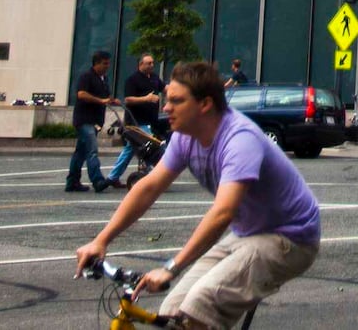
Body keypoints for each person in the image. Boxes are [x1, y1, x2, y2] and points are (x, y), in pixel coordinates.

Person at [76, 59, 322, 329]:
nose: (166, 108)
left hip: (290, 238)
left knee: (199, 307)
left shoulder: (239, 140)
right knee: (173, 312)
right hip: (247, 233)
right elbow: (148, 187)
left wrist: (171, 267)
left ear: (204, 104)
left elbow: (222, 212)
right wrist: (101, 240)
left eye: (177, 101)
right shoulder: (185, 136)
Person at [116, 53, 168, 187]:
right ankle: (153, 175)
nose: (152, 65)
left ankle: (112, 177)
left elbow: (165, 88)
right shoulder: (132, 80)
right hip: (136, 122)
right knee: (151, 147)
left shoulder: (155, 78)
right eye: (148, 63)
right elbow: (128, 99)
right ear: (141, 64)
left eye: (152, 63)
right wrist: (146, 99)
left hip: (151, 121)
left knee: (130, 150)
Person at [68, 49, 115, 194]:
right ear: (96, 64)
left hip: (95, 121)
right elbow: (81, 94)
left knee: (80, 152)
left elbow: (106, 96)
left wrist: (112, 100)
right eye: (104, 64)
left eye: (108, 64)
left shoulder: (104, 79)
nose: (107, 66)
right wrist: (100, 100)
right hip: (84, 120)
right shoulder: (86, 76)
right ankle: (97, 180)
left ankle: (72, 181)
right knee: (92, 150)